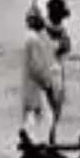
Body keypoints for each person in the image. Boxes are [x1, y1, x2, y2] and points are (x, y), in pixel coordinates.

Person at [20, 9, 65, 148]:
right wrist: (48, 84)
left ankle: (34, 144)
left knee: (35, 118)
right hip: (37, 87)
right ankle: (39, 146)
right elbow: (37, 67)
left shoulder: (34, 38)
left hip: (33, 86)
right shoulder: (34, 39)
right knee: (44, 118)